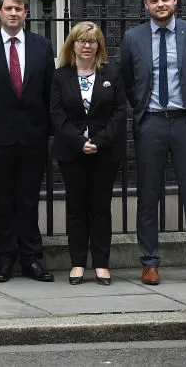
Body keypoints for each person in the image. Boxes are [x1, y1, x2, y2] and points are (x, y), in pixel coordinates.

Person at [120, 0, 186, 286]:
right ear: (145, 6)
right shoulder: (133, 37)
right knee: (148, 195)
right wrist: (143, 110)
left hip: (185, 121)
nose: (160, 4)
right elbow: (127, 80)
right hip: (151, 123)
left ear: (175, 0)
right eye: (154, 0)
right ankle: (149, 262)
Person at [0, 0, 55, 283]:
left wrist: (51, 134)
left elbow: (49, 95)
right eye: (8, 8)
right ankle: (4, 258)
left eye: (19, 8)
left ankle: (31, 258)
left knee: (29, 199)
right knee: (2, 199)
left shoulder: (43, 47)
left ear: (26, 13)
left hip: (33, 135)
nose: (14, 13)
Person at [50, 21, 127, 286]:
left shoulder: (112, 74)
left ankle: (102, 264)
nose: (87, 45)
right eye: (81, 40)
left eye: (92, 41)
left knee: (100, 208)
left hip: (104, 152)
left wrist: (98, 141)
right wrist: (78, 141)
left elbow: (119, 113)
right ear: (73, 45)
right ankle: (78, 263)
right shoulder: (61, 76)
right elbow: (56, 114)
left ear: (99, 46)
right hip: (72, 153)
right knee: (76, 209)